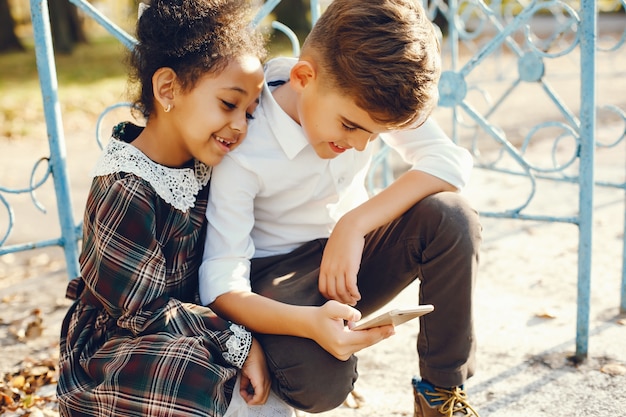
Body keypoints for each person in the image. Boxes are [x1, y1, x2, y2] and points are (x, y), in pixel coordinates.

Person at [199, 0, 482, 416]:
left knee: (452, 217)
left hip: (350, 262)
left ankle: (440, 397)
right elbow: (222, 282)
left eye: (377, 134)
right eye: (351, 126)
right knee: (320, 386)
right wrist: (308, 325)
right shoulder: (245, 143)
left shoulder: (371, 94)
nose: (362, 144)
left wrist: (355, 224)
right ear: (302, 77)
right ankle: (304, 343)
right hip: (278, 281)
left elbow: (451, 162)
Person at [56, 0, 269, 415]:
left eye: (250, 112)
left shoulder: (203, 164)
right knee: (186, 372)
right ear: (168, 89)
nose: (241, 125)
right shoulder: (126, 187)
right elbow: (143, 310)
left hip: (186, 324)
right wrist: (239, 342)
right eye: (228, 104)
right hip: (119, 343)